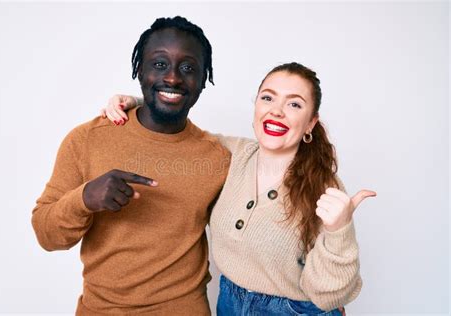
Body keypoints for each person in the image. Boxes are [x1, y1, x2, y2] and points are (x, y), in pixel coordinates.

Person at [103, 62, 376, 315]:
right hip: (229, 303)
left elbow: (327, 297)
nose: (277, 110)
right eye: (268, 98)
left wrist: (338, 231)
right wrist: (139, 104)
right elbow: (180, 133)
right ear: (256, 106)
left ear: (311, 123)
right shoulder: (230, 153)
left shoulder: (324, 188)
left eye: (294, 104)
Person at [31, 16, 231, 315]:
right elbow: (46, 235)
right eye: (160, 64)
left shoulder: (218, 156)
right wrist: (85, 198)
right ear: (140, 70)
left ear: (204, 79)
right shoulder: (88, 139)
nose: (174, 78)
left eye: (188, 68)